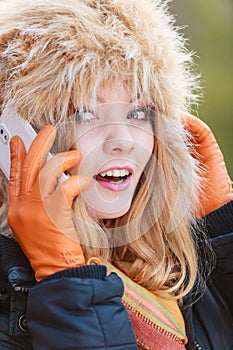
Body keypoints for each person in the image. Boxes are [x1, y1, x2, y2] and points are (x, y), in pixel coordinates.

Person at [0, 0, 233, 349]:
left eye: (138, 112)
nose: (122, 141)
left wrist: (222, 239)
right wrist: (68, 283)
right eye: (85, 114)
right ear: (16, 136)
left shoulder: (173, 266)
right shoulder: (12, 297)